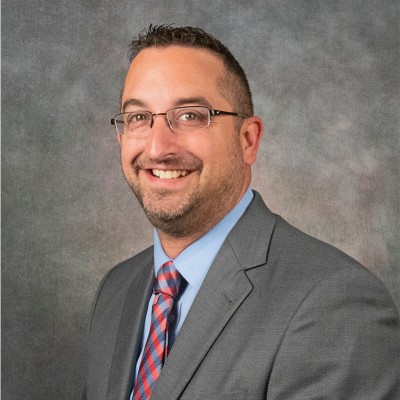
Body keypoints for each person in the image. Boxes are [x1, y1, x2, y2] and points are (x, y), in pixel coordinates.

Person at [84, 25, 400, 400]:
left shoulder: (335, 304)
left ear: (248, 140)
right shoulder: (117, 289)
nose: (157, 148)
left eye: (190, 116)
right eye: (139, 117)